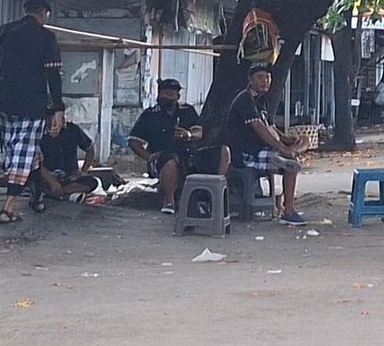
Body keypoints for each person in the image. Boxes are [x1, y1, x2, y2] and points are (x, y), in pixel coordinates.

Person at [0, 0, 65, 224]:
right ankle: (8, 208)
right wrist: (58, 108)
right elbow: (53, 74)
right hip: (32, 103)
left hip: (4, 101)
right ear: (43, 13)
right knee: (23, 153)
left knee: (19, 150)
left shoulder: (4, 31)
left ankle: (37, 195)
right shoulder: (46, 37)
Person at [128, 78, 231, 215]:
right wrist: (149, 157)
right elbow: (133, 140)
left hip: (190, 155)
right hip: (163, 158)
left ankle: (213, 193)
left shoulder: (187, 110)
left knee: (223, 151)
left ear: (178, 96)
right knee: (170, 160)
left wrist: (188, 135)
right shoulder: (150, 115)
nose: (167, 97)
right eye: (164, 93)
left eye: (171, 94)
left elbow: (198, 132)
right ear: (159, 95)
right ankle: (169, 201)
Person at [225, 61, 309, 226]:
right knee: (292, 164)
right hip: (246, 154)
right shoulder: (244, 99)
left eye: (267, 77)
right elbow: (259, 128)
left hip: (264, 149)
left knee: (305, 140)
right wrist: (282, 148)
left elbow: (270, 127)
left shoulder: (262, 100)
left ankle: (292, 153)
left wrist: (288, 140)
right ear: (250, 80)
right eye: (260, 77)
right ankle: (289, 210)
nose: (265, 81)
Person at [40, 111, 99, 205]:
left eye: (63, 116)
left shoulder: (73, 129)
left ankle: (57, 194)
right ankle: (62, 194)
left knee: (92, 182)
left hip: (70, 176)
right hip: (48, 175)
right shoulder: (39, 133)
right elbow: (33, 160)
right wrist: (50, 180)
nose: (62, 120)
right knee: (34, 181)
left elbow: (90, 149)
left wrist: (83, 171)